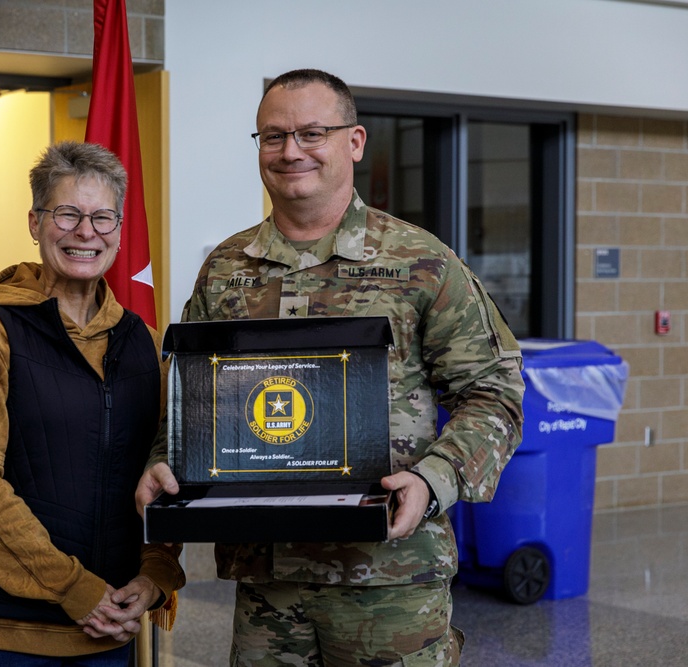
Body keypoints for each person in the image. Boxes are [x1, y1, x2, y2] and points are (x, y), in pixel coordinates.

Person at [136, 69, 525, 666]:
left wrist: (433, 479)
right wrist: (165, 461)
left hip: (390, 580)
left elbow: (494, 394)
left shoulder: (422, 263)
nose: (290, 151)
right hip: (267, 579)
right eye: (272, 136)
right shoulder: (225, 268)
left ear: (355, 142)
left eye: (312, 132)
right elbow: (189, 396)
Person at [0, 140, 184, 666]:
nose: (85, 232)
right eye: (67, 214)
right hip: (7, 635)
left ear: (119, 231)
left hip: (110, 629)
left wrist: (154, 576)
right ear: (34, 223)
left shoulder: (142, 339)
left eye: (102, 217)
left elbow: (163, 468)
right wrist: (74, 588)